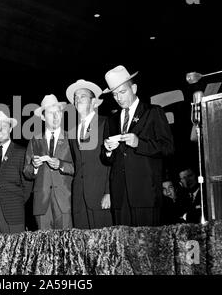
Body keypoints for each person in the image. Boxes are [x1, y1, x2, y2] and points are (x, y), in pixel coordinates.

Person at [102, 65, 174, 227]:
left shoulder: (153, 112)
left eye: (123, 92)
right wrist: (107, 151)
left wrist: (138, 143)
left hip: (146, 193)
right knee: (123, 247)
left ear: (133, 88)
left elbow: (168, 147)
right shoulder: (111, 120)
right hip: (120, 194)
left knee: (146, 246)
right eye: (114, 95)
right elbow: (107, 160)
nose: (119, 98)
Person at [66, 80, 113, 229]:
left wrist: (109, 191)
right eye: (75, 97)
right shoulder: (72, 132)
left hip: (100, 195)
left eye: (82, 96)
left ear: (94, 102)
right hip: (79, 198)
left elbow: (113, 160)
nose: (77, 100)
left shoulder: (106, 123)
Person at [24, 95, 74, 230]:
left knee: (66, 245)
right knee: (43, 247)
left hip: (65, 202)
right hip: (42, 202)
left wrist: (61, 165)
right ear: (43, 117)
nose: (56, 116)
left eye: (58, 112)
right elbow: (26, 171)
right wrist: (34, 167)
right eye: (51, 113)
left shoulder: (71, 139)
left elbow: (77, 168)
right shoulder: (35, 140)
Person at [0, 111, 32, 234]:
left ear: (10, 129)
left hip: (13, 213)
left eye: (3, 126)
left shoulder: (21, 152)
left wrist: (16, 202)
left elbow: (28, 185)